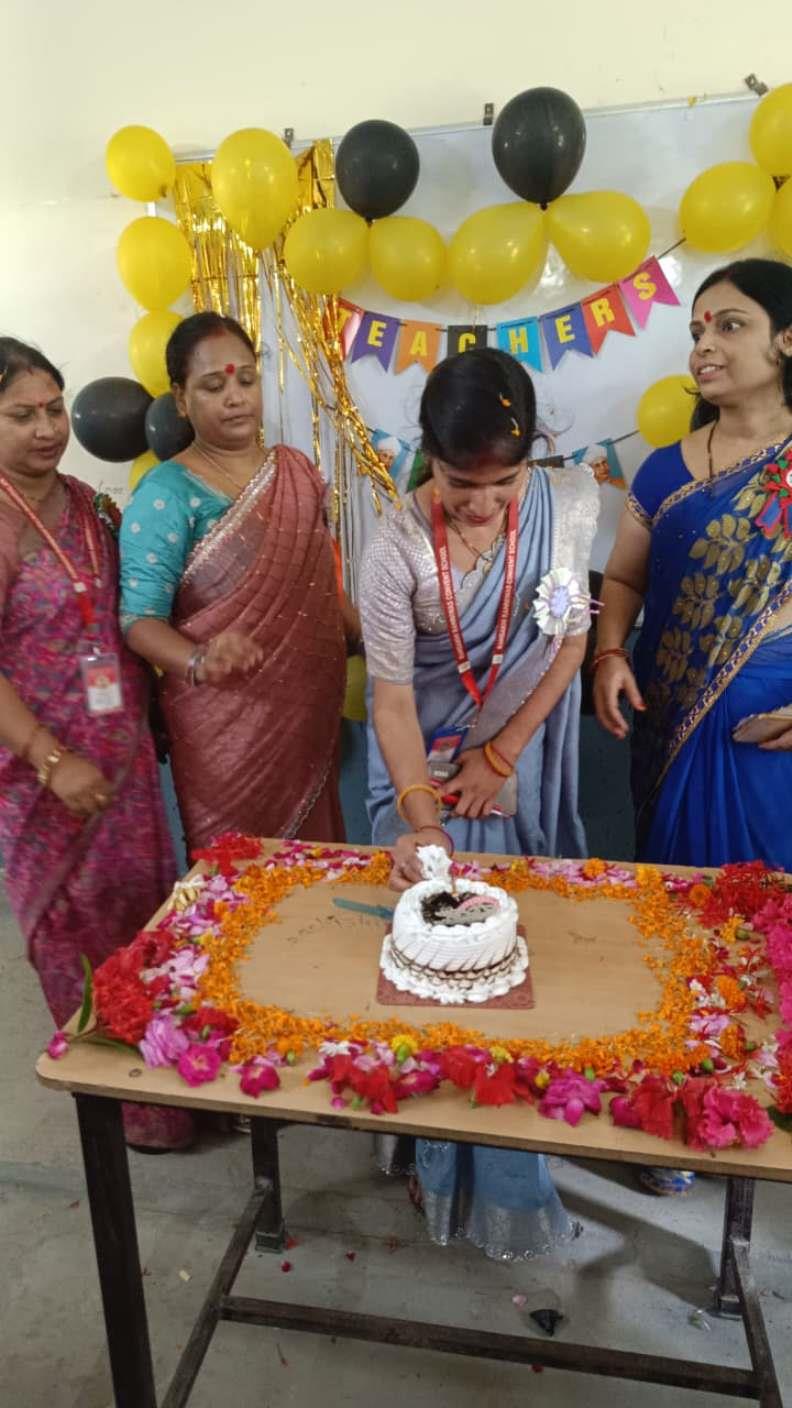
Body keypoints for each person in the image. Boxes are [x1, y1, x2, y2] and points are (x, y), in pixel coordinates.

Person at [360, 347, 599, 1259]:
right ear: (429, 455)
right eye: (462, 483)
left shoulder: (568, 502)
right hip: (417, 765)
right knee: (434, 965)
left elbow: (569, 642)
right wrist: (423, 819)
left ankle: (512, 1146)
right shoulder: (393, 544)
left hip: (520, 759)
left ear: (532, 454)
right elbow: (390, 700)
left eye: (505, 482)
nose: (485, 504)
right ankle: (433, 1152)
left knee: (515, 967)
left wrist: (501, 754)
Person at [593, 257, 792, 1193]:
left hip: (774, 744)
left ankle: (760, 1110)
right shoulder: (666, 468)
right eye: (698, 329)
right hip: (668, 727)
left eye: (730, 326)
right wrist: (608, 652)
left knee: (766, 927)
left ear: (786, 340)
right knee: (676, 923)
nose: (705, 345)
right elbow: (623, 579)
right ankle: (678, 1111)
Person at [0, 337, 192, 1152]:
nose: (47, 428)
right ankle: (127, 1111)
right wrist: (49, 759)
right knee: (74, 941)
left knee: (146, 925)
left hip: (124, 765)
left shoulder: (87, 504)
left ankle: (172, 1087)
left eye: (54, 409)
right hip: (41, 779)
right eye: (22, 415)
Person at [119, 312, 359, 852]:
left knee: (315, 865)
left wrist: (374, 635)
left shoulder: (296, 472)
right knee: (236, 875)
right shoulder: (167, 493)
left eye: (246, 380)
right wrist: (198, 660)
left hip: (305, 711)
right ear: (181, 399)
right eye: (213, 386)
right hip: (221, 729)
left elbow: (322, 585)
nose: (235, 397)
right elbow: (139, 621)